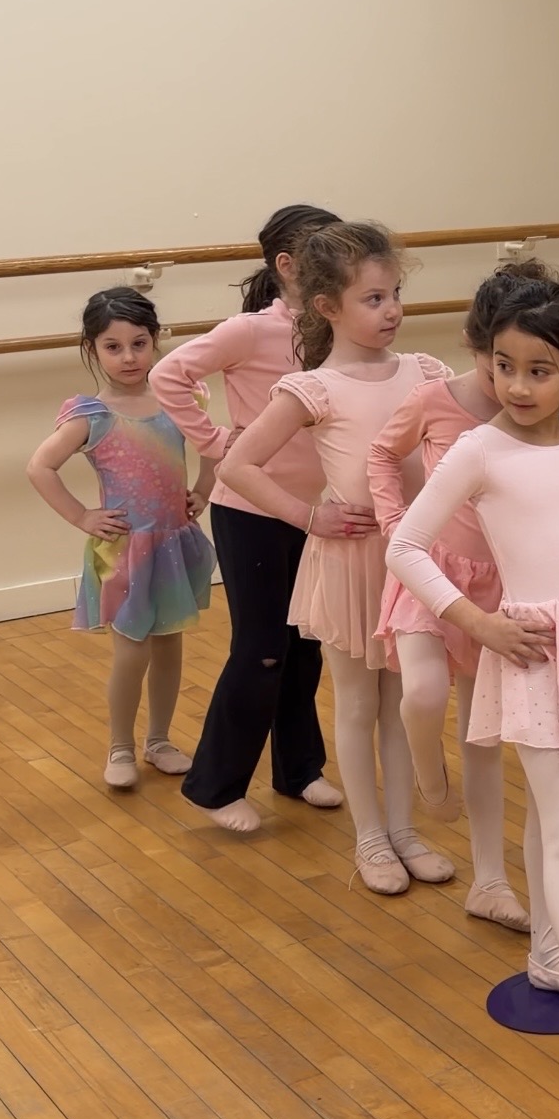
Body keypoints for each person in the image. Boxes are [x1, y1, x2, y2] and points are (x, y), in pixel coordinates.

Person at [387, 278, 559, 1116]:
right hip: (535, 648)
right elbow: (405, 543)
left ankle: (550, 955)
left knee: (553, 811)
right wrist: (475, 618)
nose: (517, 385)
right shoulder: (476, 451)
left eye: (540, 369)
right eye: (503, 365)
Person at [220, 221, 455, 893]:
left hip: (411, 560)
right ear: (327, 308)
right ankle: (372, 839)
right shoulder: (314, 388)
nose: (392, 310)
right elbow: (239, 465)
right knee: (358, 703)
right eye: (373, 299)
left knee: (406, 700)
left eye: (394, 294)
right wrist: (309, 516)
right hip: (353, 561)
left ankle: (405, 830)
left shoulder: (426, 372)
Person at [151, 204, 345, 833]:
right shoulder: (250, 331)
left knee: (306, 644)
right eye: (325, 254)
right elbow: (169, 374)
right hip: (251, 513)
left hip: (316, 513)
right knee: (261, 651)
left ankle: (299, 770)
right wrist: (214, 444)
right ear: (287, 265)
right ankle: (215, 786)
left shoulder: (336, 328)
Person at [27, 287, 216, 788]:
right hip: (127, 552)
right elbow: (40, 467)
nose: (129, 356)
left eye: (139, 343)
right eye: (113, 346)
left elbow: (215, 446)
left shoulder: (178, 398)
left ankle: (159, 740)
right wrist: (82, 516)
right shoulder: (92, 415)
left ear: (156, 340)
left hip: (173, 544)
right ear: (93, 350)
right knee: (132, 651)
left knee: (170, 645)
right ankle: (121, 746)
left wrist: (202, 490)